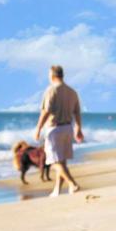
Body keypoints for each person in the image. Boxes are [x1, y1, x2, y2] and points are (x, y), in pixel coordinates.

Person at [33, 65, 83, 197]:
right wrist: (78, 128)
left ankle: (72, 184)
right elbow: (77, 112)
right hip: (68, 128)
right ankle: (57, 190)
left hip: (54, 128)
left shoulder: (51, 90)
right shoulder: (72, 92)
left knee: (54, 161)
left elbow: (46, 111)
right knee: (62, 161)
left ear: (52, 75)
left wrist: (38, 128)